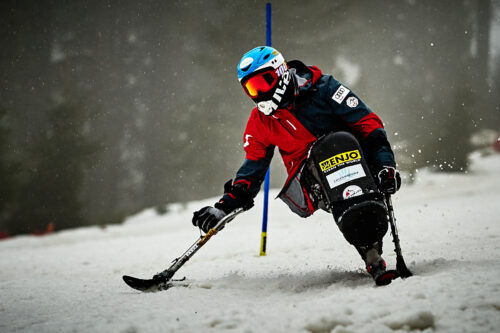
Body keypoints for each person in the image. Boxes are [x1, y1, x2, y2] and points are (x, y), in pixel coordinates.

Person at [192, 46, 402, 285]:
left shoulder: (323, 88)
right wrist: (224, 205)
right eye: (251, 88)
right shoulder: (260, 122)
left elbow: (367, 122)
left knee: (336, 143)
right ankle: (366, 241)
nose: (259, 94)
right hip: (310, 181)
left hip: (355, 163)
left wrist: (385, 164)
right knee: (329, 148)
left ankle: (371, 252)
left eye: (263, 83)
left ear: (281, 72)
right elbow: (252, 167)